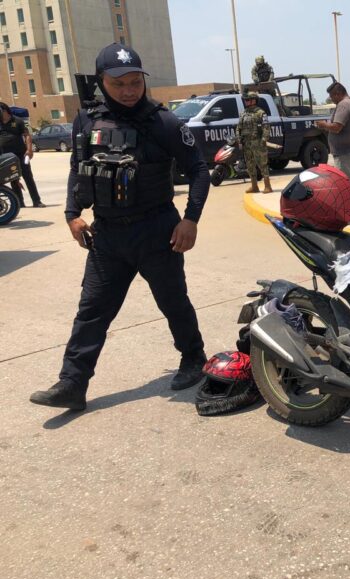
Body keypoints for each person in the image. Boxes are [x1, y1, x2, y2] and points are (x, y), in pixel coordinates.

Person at [29, 43, 211, 411]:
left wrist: (190, 219)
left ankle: (193, 357)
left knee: (173, 301)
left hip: (157, 230)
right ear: (101, 83)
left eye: (135, 82)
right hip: (108, 234)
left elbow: (199, 170)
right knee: (92, 309)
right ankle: (72, 383)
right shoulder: (86, 121)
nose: (129, 91)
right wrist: (71, 214)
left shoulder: (164, 122)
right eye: (119, 84)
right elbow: (78, 169)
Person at [316, 82, 350, 192]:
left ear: (337, 94)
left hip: (344, 153)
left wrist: (323, 125)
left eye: (331, 96)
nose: (331, 99)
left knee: (346, 185)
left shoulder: (344, 105)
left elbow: (337, 127)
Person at [0, 102, 44, 208]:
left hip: (20, 154)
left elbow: (27, 135)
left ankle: (37, 201)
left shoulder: (17, 121)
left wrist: (29, 149)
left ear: (4, 111)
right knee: (13, 178)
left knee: (28, 177)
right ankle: (19, 202)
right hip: (6, 156)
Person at [236, 91, 272, 194]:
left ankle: (267, 186)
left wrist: (264, 139)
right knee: (250, 165)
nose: (246, 102)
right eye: (245, 100)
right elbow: (238, 127)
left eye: (248, 100)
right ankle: (254, 186)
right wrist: (239, 138)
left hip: (257, 142)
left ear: (254, 100)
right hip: (247, 143)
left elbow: (266, 127)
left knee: (262, 164)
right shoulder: (244, 113)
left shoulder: (260, 113)